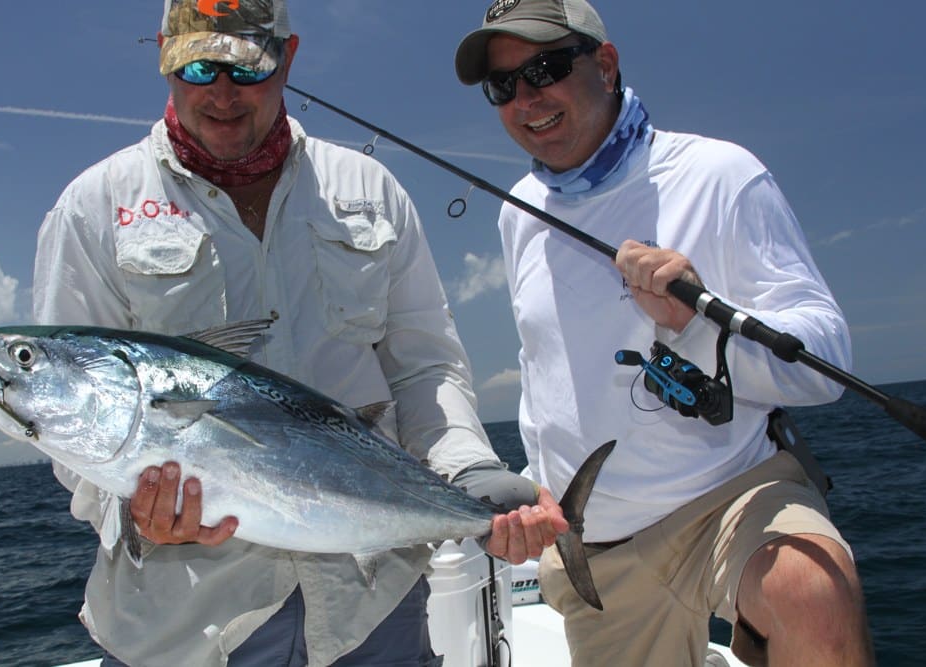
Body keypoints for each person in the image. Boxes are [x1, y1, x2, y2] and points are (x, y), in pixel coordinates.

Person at [33, 1, 568, 665]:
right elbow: (68, 418)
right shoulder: (93, 210)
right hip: (186, 623)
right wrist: (133, 515)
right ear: (165, 59)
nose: (223, 94)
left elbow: (424, 369)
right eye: (198, 67)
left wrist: (471, 472)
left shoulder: (368, 190)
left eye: (247, 68)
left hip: (371, 610)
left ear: (288, 58)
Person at [454, 1, 876, 665]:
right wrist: (532, 483)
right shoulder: (520, 215)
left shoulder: (718, 174)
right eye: (503, 85)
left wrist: (697, 321)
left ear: (607, 62)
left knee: (810, 589)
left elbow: (825, 361)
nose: (526, 97)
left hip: (730, 495)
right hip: (599, 544)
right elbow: (542, 361)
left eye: (544, 67)